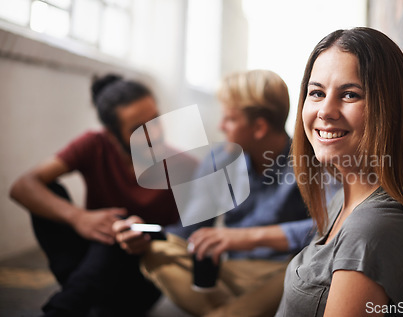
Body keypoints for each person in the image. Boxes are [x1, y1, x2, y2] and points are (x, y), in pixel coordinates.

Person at [114, 70, 332, 317]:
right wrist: (147, 233)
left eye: (229, 119)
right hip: (230, 270)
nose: (220, 126)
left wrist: (244, 238)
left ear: (259, 127)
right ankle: (241, 310)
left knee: (305, 269)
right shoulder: (218, 160)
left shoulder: (312, 162)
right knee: (156, 253)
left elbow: (331, 230)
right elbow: (190, 230)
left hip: (284, 271)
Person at [275, 27, 403, 316]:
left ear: (388, 107)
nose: (325, 110)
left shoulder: (371, 230)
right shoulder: (345, 199)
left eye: (349, 95)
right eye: (317, 93)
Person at [9, 74, 187, 317]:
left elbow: (192, 240)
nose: (154, 133)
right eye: (137, 129)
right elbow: (22, 186)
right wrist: (79, 218)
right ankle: (78, 300)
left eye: (156, 120)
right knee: (51, 192)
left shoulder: (184, 167)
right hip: (89, 270)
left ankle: (65, 307)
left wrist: (145, 235)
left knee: (116, 232)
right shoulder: (95, 145)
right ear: (112, 135)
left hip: (140, 282)